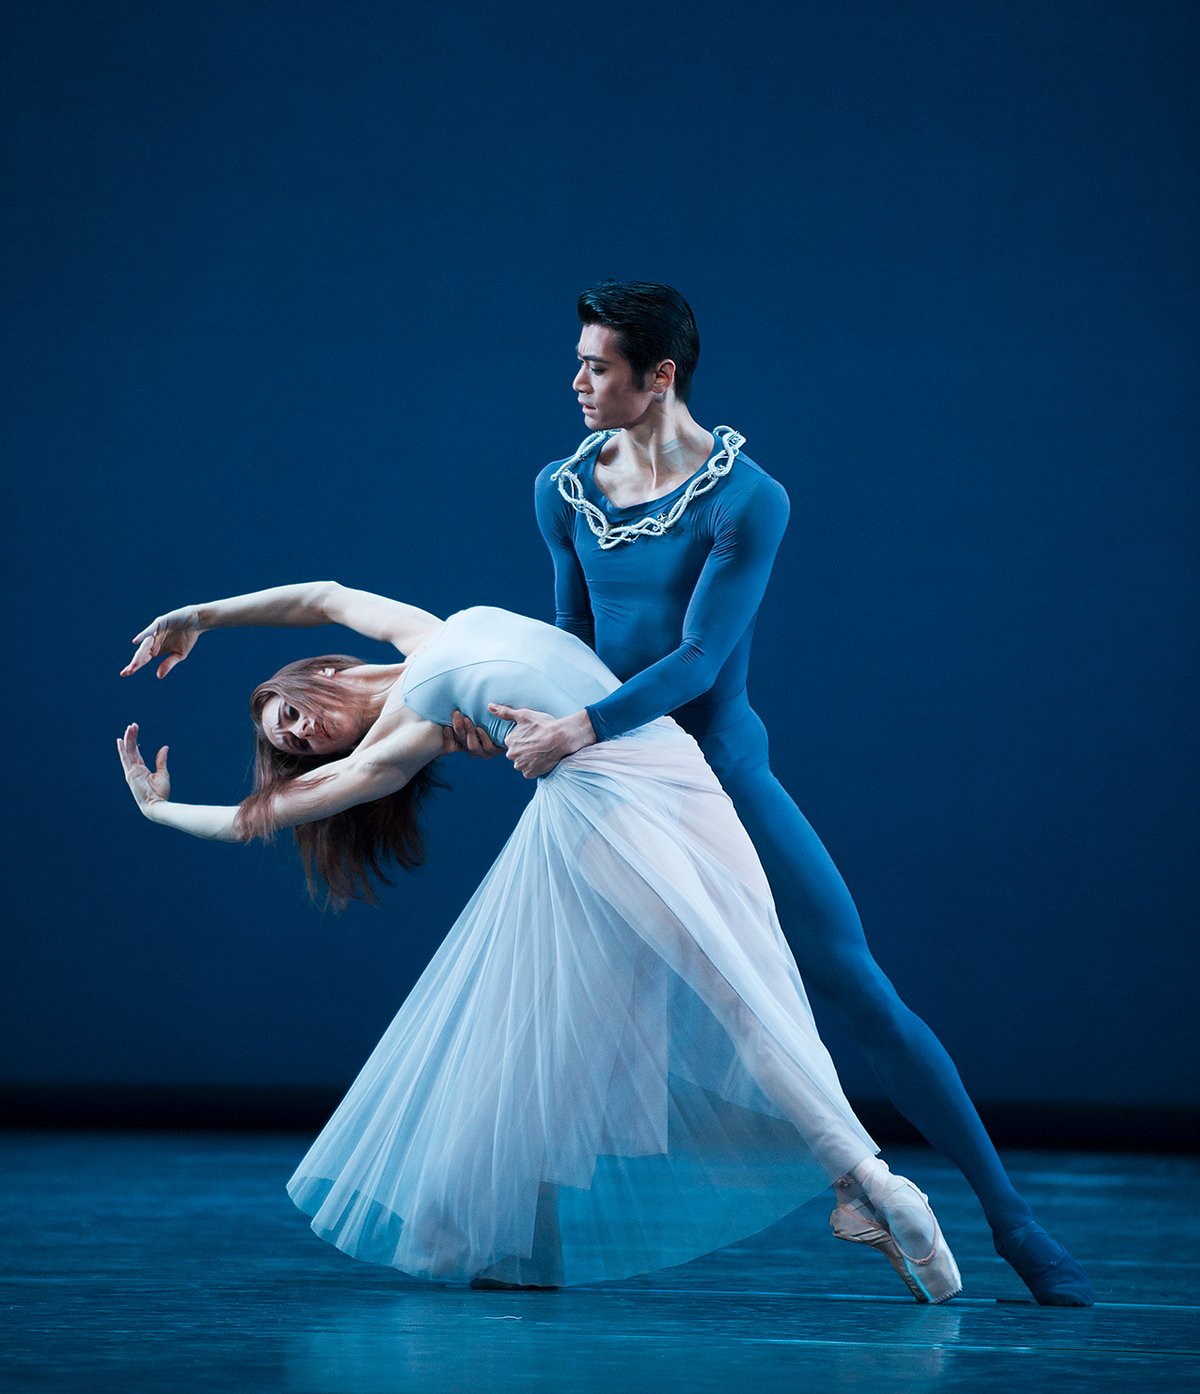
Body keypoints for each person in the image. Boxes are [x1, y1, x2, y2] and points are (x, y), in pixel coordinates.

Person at [454, 280, 1093, 1307]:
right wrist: (516, 720)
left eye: (598, 365)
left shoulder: (749, 496)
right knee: (563, 1004)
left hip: (719, 776)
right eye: (576, 361)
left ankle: (1014, 1219)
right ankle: (524, 1235)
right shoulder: (560, 488)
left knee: (854, 986)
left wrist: (581, 724)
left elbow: (702, 658)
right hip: (612, 788)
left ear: (660, 376)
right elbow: (566, 645)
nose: (575, 381)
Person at [117, 581, 961, 1300]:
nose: (297, 736)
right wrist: (160, 811)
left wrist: (201, 613)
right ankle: (867, 1182)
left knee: (744, 989)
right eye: (289, 745)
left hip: (659, 765)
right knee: (736, 993)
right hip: (626, 786)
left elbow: (321, 597)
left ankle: (865, 1186)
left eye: (289, 715)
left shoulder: (425, 639)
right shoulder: (396, 743)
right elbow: (251, 820)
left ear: (325, 672)